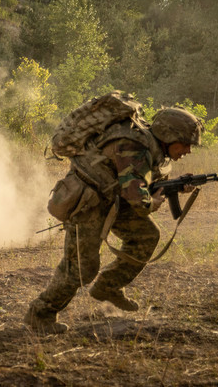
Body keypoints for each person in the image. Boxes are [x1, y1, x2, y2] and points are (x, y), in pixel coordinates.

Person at [24, 107, 203, 334]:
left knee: (146, 236)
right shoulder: (134, 146)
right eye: (185, 144)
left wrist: (173, 187)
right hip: (88, 204)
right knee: (81, 268)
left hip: (113, 201)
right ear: (168, 136)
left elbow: (142, 182)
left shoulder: (153, 148)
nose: (188, 150)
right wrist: (152, 203)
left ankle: (108, 286)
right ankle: (40, 313)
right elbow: (137, 196)